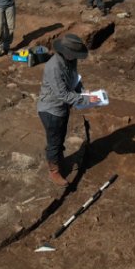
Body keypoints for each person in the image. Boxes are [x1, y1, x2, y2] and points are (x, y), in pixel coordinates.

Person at [37, 34, 100, 187]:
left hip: (62, 108)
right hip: (51, 109)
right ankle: (54, 172)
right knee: (54, 141)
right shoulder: (54, 67)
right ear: (65, 52)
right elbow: (63, 95)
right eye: (74, 55)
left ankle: (61, 162)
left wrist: (84, 91)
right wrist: (86, 100)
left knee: (60, 137)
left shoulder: (71, 60)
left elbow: (75, 79)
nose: (76, 58)